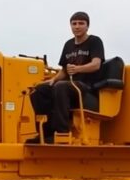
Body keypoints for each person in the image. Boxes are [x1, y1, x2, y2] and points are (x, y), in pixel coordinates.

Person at [29, 11, 105, 143]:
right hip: (68, 85)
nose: (77, 26)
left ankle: (62, 132)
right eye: (74, 23)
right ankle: (45, 133)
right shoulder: (68, 44)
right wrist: (52, 80)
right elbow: (64, 70)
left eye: (81, 23)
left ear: (87, 26)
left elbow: (96, 65)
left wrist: (78, 69)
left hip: (86, 87)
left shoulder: (95, 41)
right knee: (38, 90)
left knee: (61, 87)